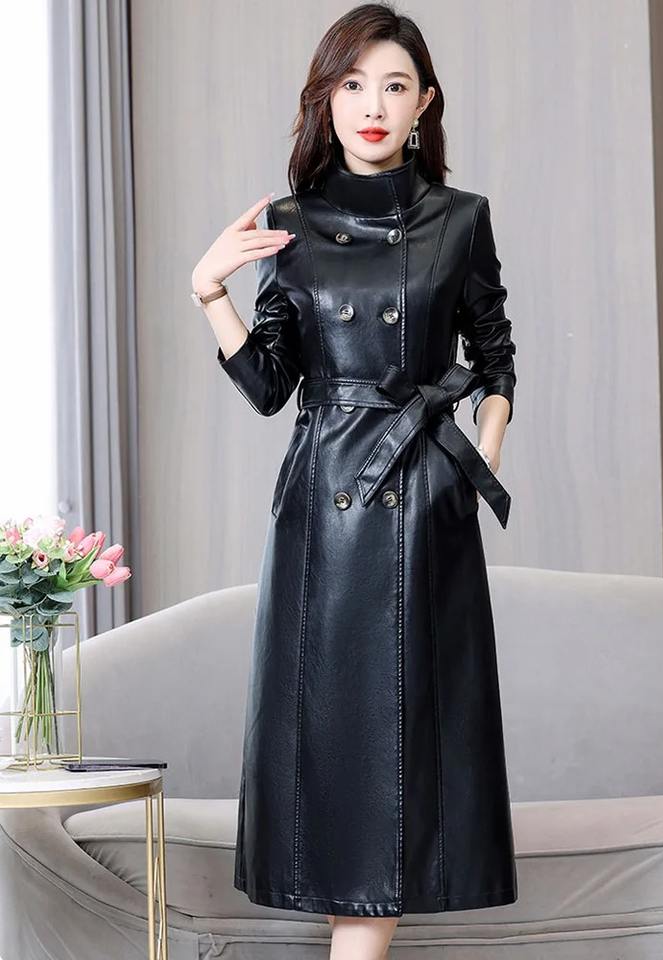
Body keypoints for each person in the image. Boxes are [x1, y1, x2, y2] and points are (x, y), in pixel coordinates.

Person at [191, 3, 518, 957]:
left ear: (425, 104)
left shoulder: (461, 218)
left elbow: (495, 355)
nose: (373, 106)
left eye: (394, 86)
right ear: (326, 101)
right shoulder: (290, 226)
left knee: (409, 752)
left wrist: (478, 459)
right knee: (340, 748)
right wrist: (209, 292)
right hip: (325, 520)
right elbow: (270, 386)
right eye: (353, 85)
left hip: (425, 508)